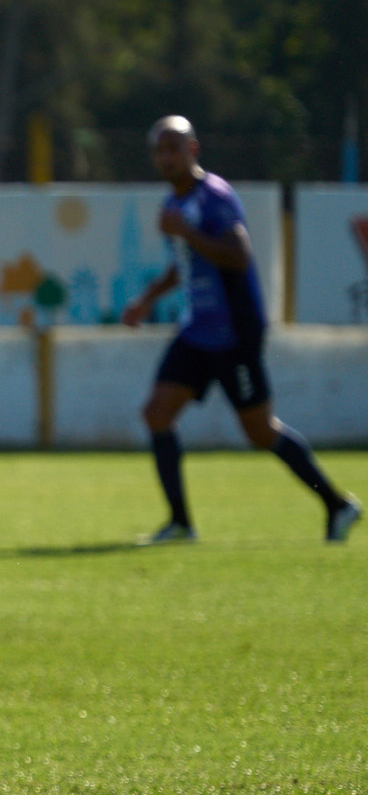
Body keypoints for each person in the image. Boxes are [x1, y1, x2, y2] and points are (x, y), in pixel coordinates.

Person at [120, 116, 359, 545]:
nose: (166, 157)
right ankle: (180, 525)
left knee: (260, 431)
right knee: (156, 413)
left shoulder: (213, 197)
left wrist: (186, 232)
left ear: (193, 150)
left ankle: (338, 505)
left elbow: (237, 254)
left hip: (234, 333)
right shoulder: (175, 204)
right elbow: (188, 262)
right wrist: (147, 299)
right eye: (160, 150)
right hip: (197, 331)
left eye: (174, 148)